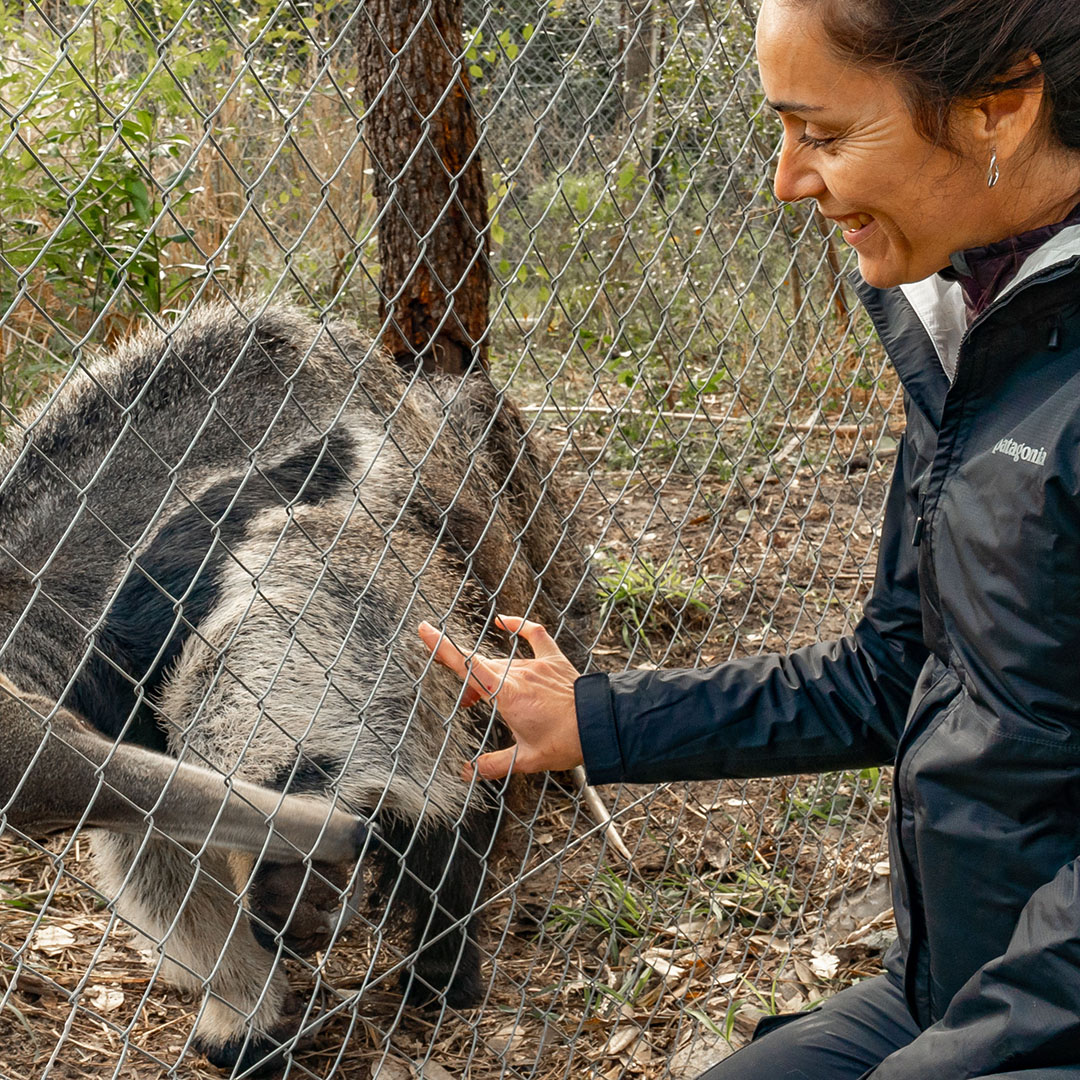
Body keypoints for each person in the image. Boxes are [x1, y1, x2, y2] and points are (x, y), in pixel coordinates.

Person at [420, 0, 1080, 1075]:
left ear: (997, 107)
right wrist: (596, 718)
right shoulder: (970, 335)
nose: (786, 180)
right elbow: (897, 669)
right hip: (957, 978)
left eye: (821, 135)